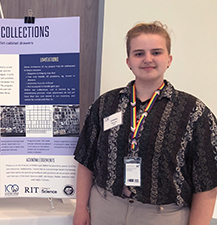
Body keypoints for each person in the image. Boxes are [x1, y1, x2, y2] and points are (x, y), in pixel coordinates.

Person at [73, 21, 217, 225]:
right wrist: (81, 208)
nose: (147, 59)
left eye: (156, 52)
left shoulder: (195, 112)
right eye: (139, 53)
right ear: (128, 61)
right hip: (105, 208)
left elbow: (208, 182)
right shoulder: (105, 104)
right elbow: (86, 159)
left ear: (169, 59)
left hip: (163, 215)